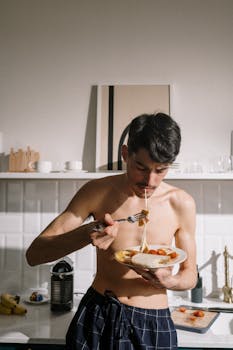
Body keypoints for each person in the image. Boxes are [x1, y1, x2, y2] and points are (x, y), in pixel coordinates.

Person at [26, 112, 197, 350]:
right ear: (125, 154)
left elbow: (190, 275)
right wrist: (87, 233)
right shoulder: (97, 191)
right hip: (98, 313)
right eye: (141, 167)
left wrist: (169, 280)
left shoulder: (181, 203)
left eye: (162, 170)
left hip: (153, 322)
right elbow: (35, 254)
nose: (151, 181)